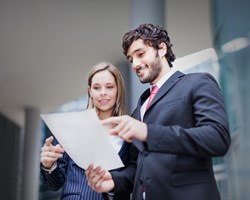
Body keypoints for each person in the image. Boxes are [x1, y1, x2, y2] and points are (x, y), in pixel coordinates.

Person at [85, 23, 231, 200]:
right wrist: (114, 181)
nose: (135, 64)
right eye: (131, 60)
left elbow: (217, 138)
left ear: (161, 49)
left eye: (140, 54)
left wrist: (149, 132)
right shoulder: (139, 109)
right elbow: (138, 166)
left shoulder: (197, 83)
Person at [40, 62, 137, 200]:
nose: (103, 92)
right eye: (97, 87)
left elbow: (132, 178)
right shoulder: (72, 127)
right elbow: (54, 184)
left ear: (118, 90)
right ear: (90, 91)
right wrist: (48, 165)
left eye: (109, 87)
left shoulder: (129, 131)